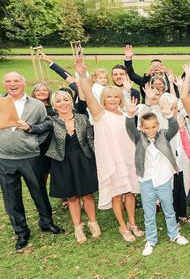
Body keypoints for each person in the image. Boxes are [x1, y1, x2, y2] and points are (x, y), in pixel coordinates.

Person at [76, 56, 143, 243]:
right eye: (108, 97)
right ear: (103, 99)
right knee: (117, 194)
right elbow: (88, 96)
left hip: (128, 157)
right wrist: (82, 76)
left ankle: (132, 223)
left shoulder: (125, 114)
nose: (112, 99)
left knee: (130, 193)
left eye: (115, 97)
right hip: (112, 160)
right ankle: (122, 227)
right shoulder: (99, 114)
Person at [0, 72, 64, 250]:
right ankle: (21, 232)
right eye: (8, 81)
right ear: (4, 84)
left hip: (30, 156)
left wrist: (34, 142)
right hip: (4, 158)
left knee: (39, 191)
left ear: (23, 82)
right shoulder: (0, 103)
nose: (13, 84)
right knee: (11, 197)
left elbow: (45, 127)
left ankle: (46, 222)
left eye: (16, 80)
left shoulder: (36, 105)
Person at [28, 90, 100, 244]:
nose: (63, 103)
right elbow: (37, 128)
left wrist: (99, 159)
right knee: (72, 196)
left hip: (83, 160)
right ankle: (78, 226)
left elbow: (91, 140)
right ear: (54, 105)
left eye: (65, 99)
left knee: (87, 194)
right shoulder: (51, 121)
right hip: (62, 162)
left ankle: (93, 222)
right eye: (58, 101)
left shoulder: (82, 118)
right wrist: (25, 126)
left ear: (71, 101)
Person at [125, 102, 188, 256]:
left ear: (158, 125)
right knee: (149, 213)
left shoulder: (163, 135)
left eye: (153, 127)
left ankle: (174, 234)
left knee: (169, 209)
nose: (151, 130)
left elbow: (174, 127)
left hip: (163, 179)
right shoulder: (139, 138)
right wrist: (130, 115)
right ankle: (151, 240)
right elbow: (129, 127)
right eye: (147, 128)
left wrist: (168, 114)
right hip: (146, 181)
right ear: (141, 127)